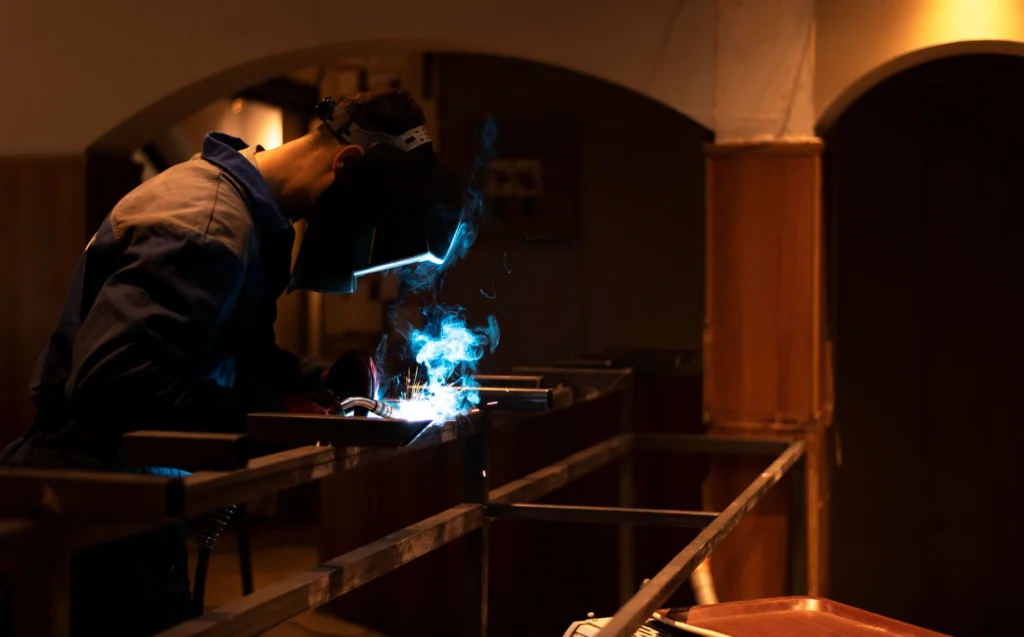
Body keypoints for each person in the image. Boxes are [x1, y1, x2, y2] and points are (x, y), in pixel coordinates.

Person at [0, 89, 462, 636]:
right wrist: (271, 413)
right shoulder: (206, 217)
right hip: (86, 481)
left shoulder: (247, 213)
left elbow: (230, 350)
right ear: (346, 162)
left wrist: (312, 380)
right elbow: (114, 384)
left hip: (137, 477)